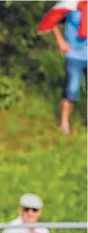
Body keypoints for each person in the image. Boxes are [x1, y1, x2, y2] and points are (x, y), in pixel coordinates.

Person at [38, 1, 87, 135]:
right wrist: (60, 40)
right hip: (74, 55)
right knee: (72, 88)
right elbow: (51, 19)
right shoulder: (71, 4)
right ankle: (64, 124)